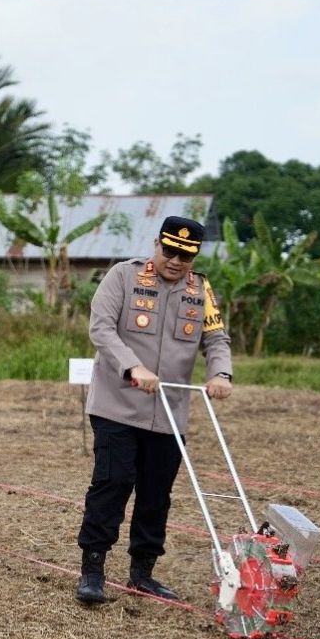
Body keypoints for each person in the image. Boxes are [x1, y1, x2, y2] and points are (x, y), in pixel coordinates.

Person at [76, 216, 232, 604]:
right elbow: (102, 329)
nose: (177, 261)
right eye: (171, 251)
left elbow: (215, 339)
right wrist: (133, 366)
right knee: (113, 482)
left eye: (187, 255)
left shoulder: (201, 290)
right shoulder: (123, 277)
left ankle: (142, 573)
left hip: (169, 413)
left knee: (156, 493)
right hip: (117, 406)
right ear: (157, 245)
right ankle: (92, 569)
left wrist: (221, 373)